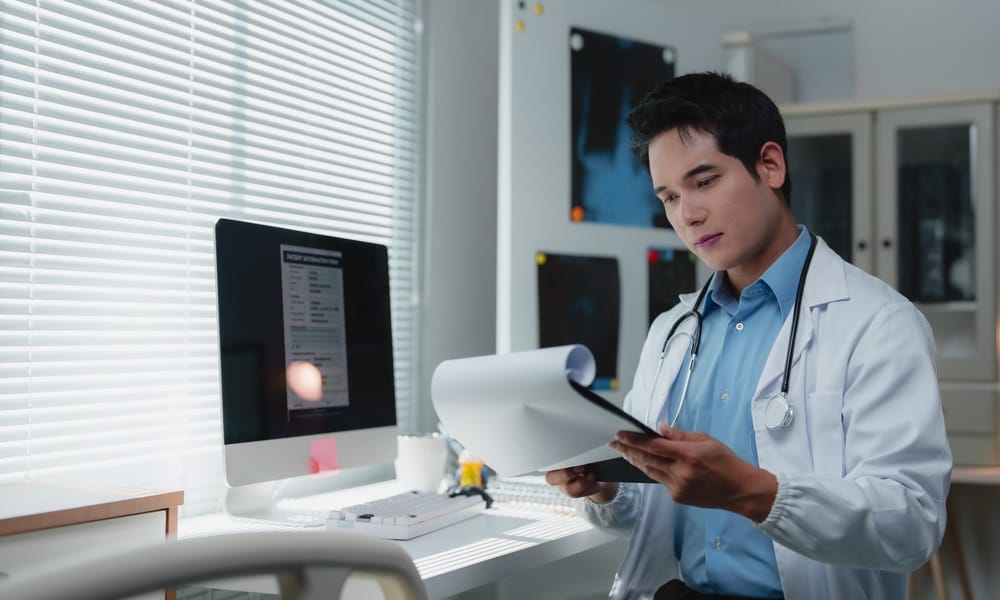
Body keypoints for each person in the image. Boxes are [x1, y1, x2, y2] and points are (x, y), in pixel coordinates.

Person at [545, 72, 952, 600]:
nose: (687, 215)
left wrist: (755, 494)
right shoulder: (672, 332)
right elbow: (646, 516)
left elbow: (911, 526)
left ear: (770, 165)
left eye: (705, 181)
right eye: (668, 196)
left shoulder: (879, 325)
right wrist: (605, 489)